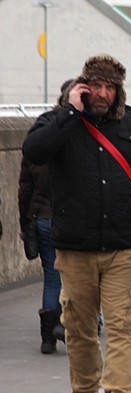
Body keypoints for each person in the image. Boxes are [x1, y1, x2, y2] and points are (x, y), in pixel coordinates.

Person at [22, 54, 131, 393]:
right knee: (79, 325)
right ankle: (89, 392)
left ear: (118, 89)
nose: (103, 94)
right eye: (96, 86)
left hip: (124, 244)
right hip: (74, 246)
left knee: (123, 323)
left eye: (110, 87)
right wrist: (70, 113)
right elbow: (34, 152)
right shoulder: (58, 122)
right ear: (82, 87)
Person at [17, 80, 72, 354]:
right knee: (80, 273)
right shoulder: (77, 134)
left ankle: (47, 338)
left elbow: (25, 185)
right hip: (69, 217)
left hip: (41, 215)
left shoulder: (38, 133)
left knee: (52, 276)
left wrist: (25, 224)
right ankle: (75, 323)